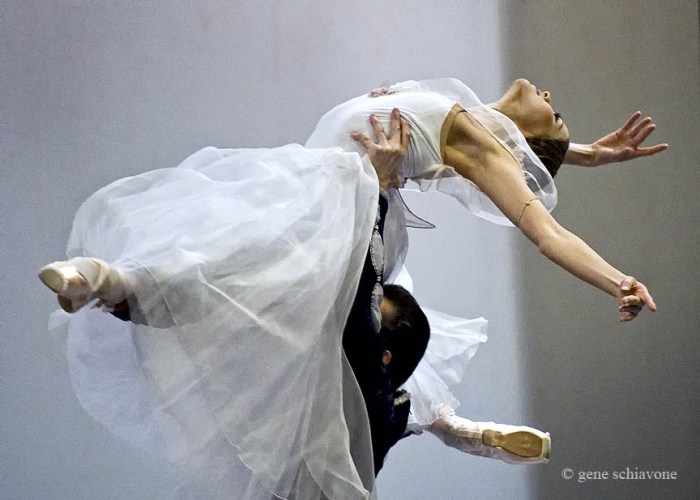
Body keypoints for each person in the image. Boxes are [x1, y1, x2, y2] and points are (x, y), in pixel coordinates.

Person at [38, 111, 421, 500]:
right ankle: (128, 284)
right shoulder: (356, 386)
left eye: (377, 311)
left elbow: (358, 292)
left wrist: (377, 190)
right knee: (271, 281)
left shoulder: (369, 396)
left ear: (385, 355)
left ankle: (127, 285)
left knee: (278, 288)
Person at [306, 77, 664, 463]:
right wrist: (587, 154)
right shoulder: (468, 119)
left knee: (329, 342)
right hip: (321, 201)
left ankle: (440, 423)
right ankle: (446, 424)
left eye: (553, 114)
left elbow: (548, 234)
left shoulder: (472, 142)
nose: (548, 94)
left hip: (342, 226)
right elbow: (514, 142)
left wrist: (618, 282)